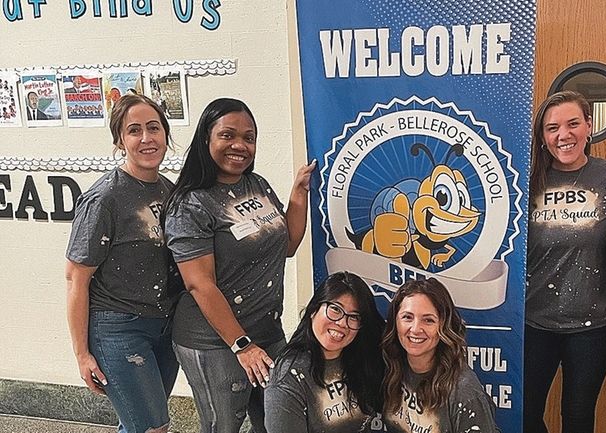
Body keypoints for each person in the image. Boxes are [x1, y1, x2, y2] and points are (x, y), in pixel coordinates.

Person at [163, 97, 316, 433]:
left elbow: (287, 244)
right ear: (206, 139)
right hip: (216, 341)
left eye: (249, 137)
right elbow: (199, 284)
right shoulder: (190, 204)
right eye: (228, 135)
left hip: (266, 330)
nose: (240, 145)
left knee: (275, 420)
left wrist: (298, 195)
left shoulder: (257, 184)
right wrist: (242, 346)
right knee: (223, 426)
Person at [65, 94, 182, 433]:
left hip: (164, 327)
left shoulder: (169, 190)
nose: (146, 138)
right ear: (120, 140)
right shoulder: (104, 199)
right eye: (134, 130)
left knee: (137, 424)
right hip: (119, 329)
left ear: (165, 134)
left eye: (153, 128)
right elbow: (75, 279)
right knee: (153, 427)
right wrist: (82, 354)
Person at [524, 91, 606, 433]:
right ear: (542, 136)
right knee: (525, 413)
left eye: (572, 124)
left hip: (595, 325)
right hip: (533, 321)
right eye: (552, 128)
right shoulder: (526, 178)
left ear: (589, 126)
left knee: (578, 415)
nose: (563, 135)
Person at [264, 271, 385, 433]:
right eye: (335, 309)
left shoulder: (367, 356)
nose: (342, 323)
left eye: (354, 316)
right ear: (314, 310)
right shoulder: (288, 377)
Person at [381, 278, 500, 433]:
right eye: (407, 317)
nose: (415, 329)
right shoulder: (392, 367)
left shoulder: (464, 392)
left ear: (444, 326)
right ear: (395, 322)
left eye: (428, 320)